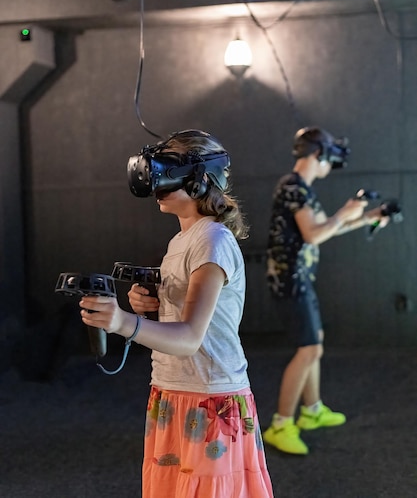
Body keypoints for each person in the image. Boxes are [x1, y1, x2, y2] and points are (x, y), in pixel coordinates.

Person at [79, 129, 274, 498]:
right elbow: (181, 320)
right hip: (173, 391)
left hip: (209, 398)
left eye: (168, 171)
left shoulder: (211, 241)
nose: (157, 183)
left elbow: (189, 337)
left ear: (201, 179)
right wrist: (148, 309)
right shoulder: (183, 240)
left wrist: (123, 322)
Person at [263, 126, 389, 456]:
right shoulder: (293, 187)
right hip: (290, 281)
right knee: (307, 350)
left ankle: (312, 410)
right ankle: (281, 425)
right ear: (318, 155)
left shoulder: (300, 188)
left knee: (313, 347)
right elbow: (314, 234)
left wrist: (369, 217)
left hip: (300, 279)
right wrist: (343, 214)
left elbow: (325, 229)